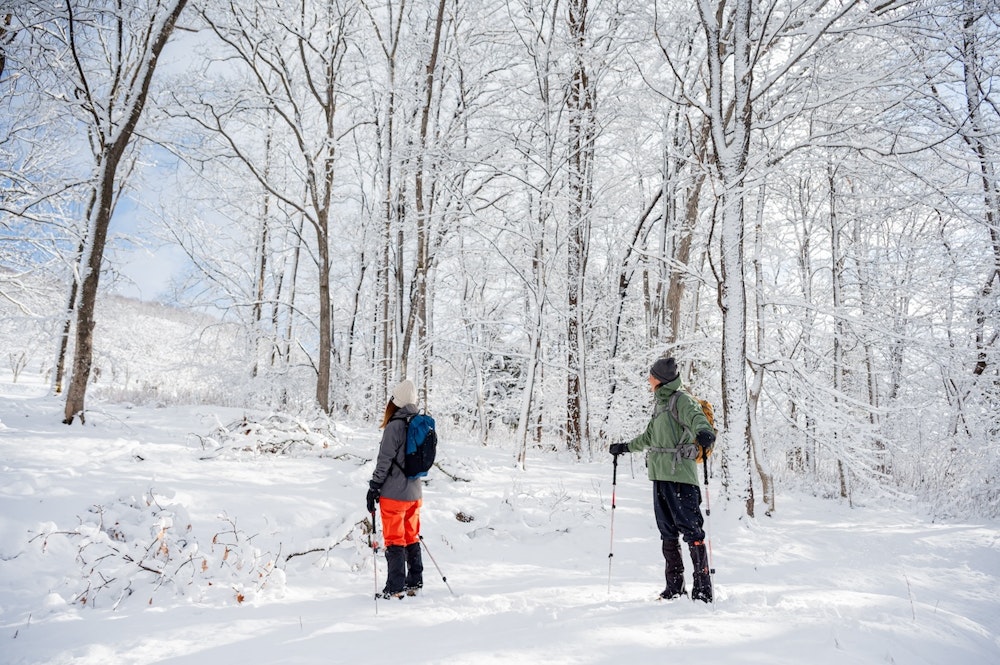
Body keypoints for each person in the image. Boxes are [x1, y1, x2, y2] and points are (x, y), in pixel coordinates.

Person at [609, 357, 717, 602]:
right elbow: (649, 437)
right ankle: (674, 587)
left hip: (681, 477)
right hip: (660, 477)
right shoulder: (660, 405)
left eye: (651, 375)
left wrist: (704, 432)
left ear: (659, 378)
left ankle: (702, 590)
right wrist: (625, 447)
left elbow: (698, 419)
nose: (648, 379)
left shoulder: (682, 400)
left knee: (692, 531)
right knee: (667, 532)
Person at [366, 379, 424, 598]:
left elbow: (384, 462)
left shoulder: (395, 426)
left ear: (395, 401)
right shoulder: (419, 423)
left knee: (394, 539)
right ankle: (415, 581)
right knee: (412, 536)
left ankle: (395, 587)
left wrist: (374, 487)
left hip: (394, 496)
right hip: (415, 494)